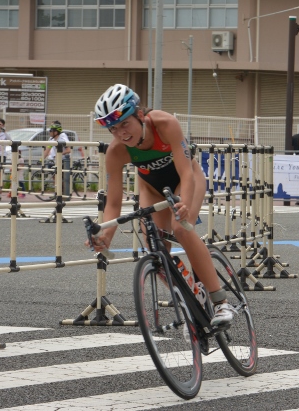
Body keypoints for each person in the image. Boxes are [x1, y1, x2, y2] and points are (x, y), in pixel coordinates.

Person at [88, 84, 235, 326]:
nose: (121, 133)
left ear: (140, 115)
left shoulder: (165, 124)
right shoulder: (116, 151)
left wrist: (184, 205)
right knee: (155, 246)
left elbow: (186, 173)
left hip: (186, 179)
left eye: (125, 123)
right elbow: (113, 202)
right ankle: (190, 299)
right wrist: (106, 235)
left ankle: (221, 303)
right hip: (152, 189)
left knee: (181, 227)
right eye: (113, 129)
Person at [46, 122, 72, 197]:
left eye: (51, 131)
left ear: (56, 132)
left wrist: (59, 154)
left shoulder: (62, 138)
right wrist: (41, 159)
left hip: (63, 161)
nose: (49, 132)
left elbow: (68, 150)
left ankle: (63, 194)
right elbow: (47, 150)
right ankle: (57, 193)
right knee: (55, 177)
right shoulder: (52, 139)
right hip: (55, 161)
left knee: (61, 178)